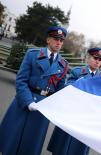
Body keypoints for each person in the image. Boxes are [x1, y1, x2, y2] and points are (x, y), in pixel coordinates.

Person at [0, 26, 69, 155]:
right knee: (11, 142)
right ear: (48, 40)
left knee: (30, 145)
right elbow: (21, 80)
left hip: (42, 109)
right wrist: (28, 101)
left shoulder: (63, 64)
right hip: (24, 102)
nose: (59, 42)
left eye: (61, 40)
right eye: (56, 39)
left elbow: (59, 92)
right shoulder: (33, 55)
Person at [47, 47, 101, 155]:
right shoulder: (78, 72)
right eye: (95, 58)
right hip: (72, 112)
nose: (97, 61)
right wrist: (78, 84)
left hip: (87, 117)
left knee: (78, 146)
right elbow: (67, 87)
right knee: (62, 144)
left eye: (100, 59)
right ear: (89, 58)